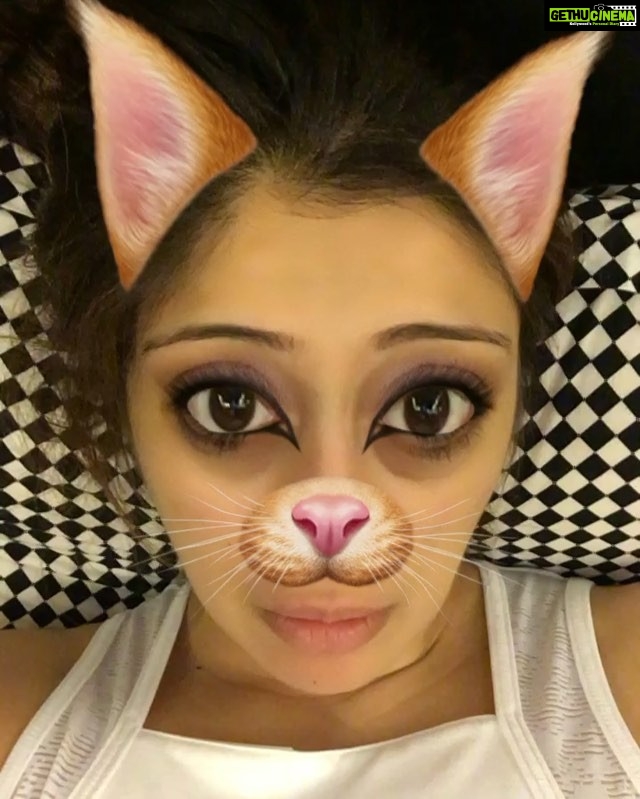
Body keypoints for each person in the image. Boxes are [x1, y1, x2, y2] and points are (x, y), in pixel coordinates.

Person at [0, 1, 638, 797]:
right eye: (229, 405)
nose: (332, 508)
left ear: (516, 399)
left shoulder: (620, 691)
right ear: (121, 389)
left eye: (429, 405)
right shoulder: (19, 722)